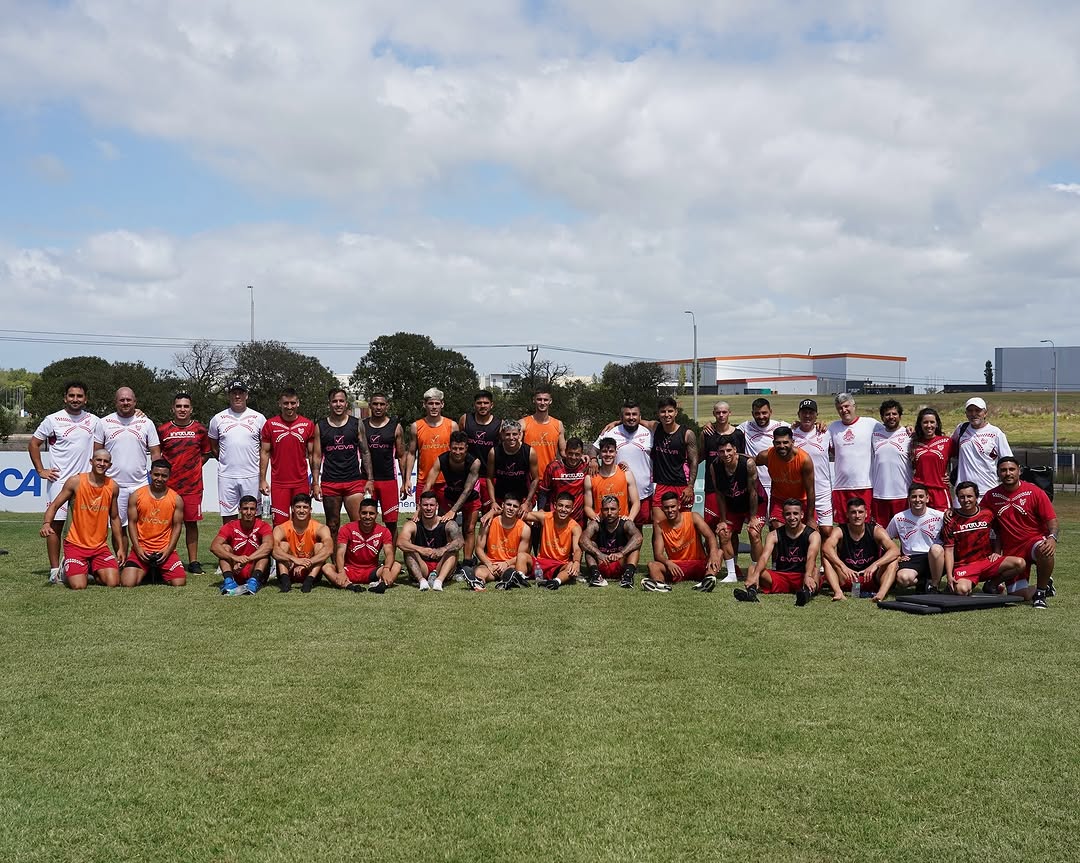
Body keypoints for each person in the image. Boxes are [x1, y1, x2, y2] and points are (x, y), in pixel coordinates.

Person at [29, 379, 105, 582]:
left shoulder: (94, 421)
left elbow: (99, 450)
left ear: (86, 399)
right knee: (55, 525)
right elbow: (34, 444)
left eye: (79, 396)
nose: (75, 399)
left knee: (85, 527)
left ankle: (83, 565)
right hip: (59, 481)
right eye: (71, 395)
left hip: (84, 483)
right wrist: (40, 470)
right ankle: (55, 570)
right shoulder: (53, 419)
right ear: (65, 398)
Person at [981, 456, 1058, 609]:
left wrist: (1052, 538)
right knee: (1018, 595)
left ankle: (1040, 594)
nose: (1008, 473)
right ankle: (1046, 586)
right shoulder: (991, 496)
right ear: (998, 473)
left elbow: (1052, 521)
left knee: (1045, 550)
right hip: (1012, 550)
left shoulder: (1035, 492)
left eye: (1011, 469)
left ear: (1019, 471)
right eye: (1003, 470)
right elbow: (978, 515)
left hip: (1033, 542)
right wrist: (953, 513)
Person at [39, 448, 122, 589]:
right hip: (75, 544)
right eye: (98, 460)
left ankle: (89, 568)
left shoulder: (112, 486)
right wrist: (47, 523)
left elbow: (114, 518)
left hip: (99, 547)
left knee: (113, 582)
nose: (102, 463)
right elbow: (54, 505)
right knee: (79, 586)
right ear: (91, 461)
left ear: (110, 465)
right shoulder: (75, 481)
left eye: (106, 461)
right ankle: (65, 569)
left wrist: (119, 547)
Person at [102, 386, 161, 558]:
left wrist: (157, 478)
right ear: (115, 402)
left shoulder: (146, 423)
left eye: (129, 400)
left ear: (135, 402)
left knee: (145, 526)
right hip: (114, 485)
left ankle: (142, 562)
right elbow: (97, 452)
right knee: (118, 527)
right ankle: (122, 560)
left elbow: (155, 453)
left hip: (140, 484)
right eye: (122, 400)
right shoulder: (104, 422)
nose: (125, 403)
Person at [157, 391, 212, 574]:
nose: (182, 409)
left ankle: (193, 562)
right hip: (169, 487)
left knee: (191, 523)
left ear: (191, 409)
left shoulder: (200, 430)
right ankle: (164, 557)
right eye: (179, 406)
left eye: (186, 406)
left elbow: (205, 453)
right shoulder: (163, 430)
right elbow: (157, 455)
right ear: (172, 408)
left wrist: (192, 467)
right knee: (165, 524)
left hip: (192, 487)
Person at [313, 387, 374, 543]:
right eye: (334, 401)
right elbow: (317, 456)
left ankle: (357, 556)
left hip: (353, 481)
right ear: (329, 404)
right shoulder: (321, 426)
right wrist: (315, 483)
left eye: (341, 401)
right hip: (330, 482)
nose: (338, 404)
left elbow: (365, 452)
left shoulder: (356, 423)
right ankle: (335, 558)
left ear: (346, 403)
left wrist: (370, 479)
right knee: (332, 525)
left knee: (358, 524)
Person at [942, 481, 1023, 597]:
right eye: (962, 497)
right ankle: (958, 584)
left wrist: (996, 552)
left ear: (976, 497)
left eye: (969, 496)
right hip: (965, 566)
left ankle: (992, 584)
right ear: (958, 499)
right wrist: (949, 576)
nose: (966, 500)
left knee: (1020, 563)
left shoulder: (987, 514)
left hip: (986, 563)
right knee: (962, 590)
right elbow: (949, 550)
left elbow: (998, 533)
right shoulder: (951, 520)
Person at [734, 499, 821, 606]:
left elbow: (811, 558)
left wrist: (807, 576)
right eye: (788, 514)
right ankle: (751, 593)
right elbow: (764, 557)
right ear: (783, 515)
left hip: (802, 576)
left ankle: (806, 594)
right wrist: (755, 575)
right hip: (781, 576)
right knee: (753, 568)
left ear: (802, 515)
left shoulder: (813, 535)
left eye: (795, 513)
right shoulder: (774, 534)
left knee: (815, 571)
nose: (792, 517)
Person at [121, 458, 186, 587]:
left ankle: (156, 571)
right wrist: (138, 548)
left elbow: (177, 526)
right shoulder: (137, 496)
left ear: (169, 476)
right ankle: (149, 570)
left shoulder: (176, 499)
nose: (159, 479)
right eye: (156, 474)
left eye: (164, 476)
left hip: (164, 550)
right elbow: (132, 523)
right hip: (142, 550)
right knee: (127, 583)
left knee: (179, 582)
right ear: (150, 474)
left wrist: (168, 550)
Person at [208, 381, 267, 523]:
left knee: (254, 515)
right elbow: (213, 446)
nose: (237, 396)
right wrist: (225, 460)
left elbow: (265, 448)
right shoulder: (218, 418)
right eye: (234, 393)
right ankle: (231, 539)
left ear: (246, 395)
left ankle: (255, 539)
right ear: (229, 396)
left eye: (241, 393)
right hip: (227, 476)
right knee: (229, 518)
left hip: (252, 475)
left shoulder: (259, 418)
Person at [821, 497, 900, 602]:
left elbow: (895, 550)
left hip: (871, 576)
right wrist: (842, 566)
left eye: (860, 512)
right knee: (826, 557)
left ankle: (880, 594)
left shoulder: (876, 531)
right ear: (847, 514)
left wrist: (875, 565)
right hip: (846, 576)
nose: (857, 516)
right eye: (853, 512)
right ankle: (838, 592)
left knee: (893, 560)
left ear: (866, 514)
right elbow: (826, 548)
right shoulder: (840, 530)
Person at [259, 387, 317, 525]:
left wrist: (315, 482)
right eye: (286, 403)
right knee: (280, 525)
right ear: (279, 403)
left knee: (302, 523)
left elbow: (312, 455)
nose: (289, 407)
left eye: (292, 403)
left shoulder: (308, 425)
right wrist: (262, 479)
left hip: (301, 482)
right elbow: (265, 453)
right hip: (279, 484)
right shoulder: (270, 424)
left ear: (298, 403)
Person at [646, 491, 723, 593]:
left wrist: (713, 554)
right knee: (652, 565)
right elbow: (658, 554)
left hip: (698, 563)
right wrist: (668, 563)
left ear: (679, 505)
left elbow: (710, 536)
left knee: (719, 553)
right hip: (676, 566)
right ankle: (660, 585)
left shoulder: (693, 517)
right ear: (662, 508)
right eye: (666, 507)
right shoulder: (659, 526)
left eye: (673, 506)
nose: (670, 510)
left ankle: (708, 579)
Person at [592, 401, 654, 526]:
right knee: (616, 529)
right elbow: (594, 449)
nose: (631, 417)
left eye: (634, 414)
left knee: (638, 528)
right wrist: (593, 459)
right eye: (627, 414)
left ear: (640, 417)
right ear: (621, 417)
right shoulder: (610, 432)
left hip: (644, 492)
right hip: (617, 493)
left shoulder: (649, 433)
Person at [322, 498, 402, 593]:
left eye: (371, 513)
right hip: (349, 570)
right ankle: (350, 586)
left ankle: (381, 585)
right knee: (326, 568)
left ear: (376, 514)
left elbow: (389, 553)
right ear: (359, 513)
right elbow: (340, 552)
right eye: (364, 513)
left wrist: (386, 569)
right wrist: (341, 571)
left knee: (397, 566)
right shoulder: (347, 529)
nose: (367, 516)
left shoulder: (384, 531)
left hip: (372, 571)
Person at [423, 431, 481, 559]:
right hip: (450, 496)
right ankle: (445, 558)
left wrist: (453, 511)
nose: (457, 452)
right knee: (444, 527)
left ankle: (467, 562)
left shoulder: (474, 463)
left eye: (461, 449)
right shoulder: (441, 459)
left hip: (470, 497)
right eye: (454, 448)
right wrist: (419, 507)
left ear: (466, 448)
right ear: (449, 447)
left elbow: (467, 490)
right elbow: (428, 484)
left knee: (469, 529)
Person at [711, 435, 761, 581]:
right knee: (723, 532)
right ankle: (731, 573)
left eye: (728, 450)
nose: (725, 454)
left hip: (753, 503)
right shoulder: (715, 466)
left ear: (735, 449)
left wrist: (753, 518)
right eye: (721, 451)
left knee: (754, 532)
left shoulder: (748, 464)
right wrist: (722, 519)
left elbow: (753, 492)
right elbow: (719, 494)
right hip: (732, 503)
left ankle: (756, 570)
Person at [460, 389, 502, 553]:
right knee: (468, 522)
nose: (482, 406)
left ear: (492, 405)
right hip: (468, 477)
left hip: (489, 478)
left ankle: (488, 555)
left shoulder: (499, 424)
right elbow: (459, 444)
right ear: (474, 405)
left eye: (486, 403)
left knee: (489, 519)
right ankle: (467, 559)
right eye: (479, 403)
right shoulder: (465, 419)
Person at [398, 490, 465, 591]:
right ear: (419, 506)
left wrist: (443, 549)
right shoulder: (412, 524)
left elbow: (460, 541)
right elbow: (400, 542)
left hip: (441, 565)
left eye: (431, 505)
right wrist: (420, 549)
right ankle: (422, 582)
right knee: (408, 549)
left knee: (452, 549)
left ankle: (439, 582)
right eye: (425, 505)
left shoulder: (447, 523)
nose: (428, 508)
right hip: (421, 566)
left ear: (437, 506)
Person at [885, 483, 945, 592]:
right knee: (903, 579)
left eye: (921, 496)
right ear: (909, 499)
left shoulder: (940, 516)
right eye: (914, 497)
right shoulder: (899, 518)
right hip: (912, 558)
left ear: (927, 498)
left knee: (936, 549)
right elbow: (885, 540)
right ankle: (923, 582)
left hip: (934, 557)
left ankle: (934, 586)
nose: (917, 500)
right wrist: (897, 556)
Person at [827, 393, 877, 524]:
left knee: (865, 525)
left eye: (846, 406)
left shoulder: (870, 424)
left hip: (864, 485)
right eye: (840, 408)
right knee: (844, 525)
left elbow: (890, 432)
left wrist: (907, 429)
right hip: (841, 487)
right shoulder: (833, 427)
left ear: (854, 406)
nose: (843, 410)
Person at [403, 388, 458, 505]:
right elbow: (411, 453)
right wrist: (407, 479)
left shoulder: (452, 426)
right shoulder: (416, 426)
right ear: (424, 404)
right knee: (422, 513)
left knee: (446, 515)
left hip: (446, 481)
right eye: (430, 403)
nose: (434, 407)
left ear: (442, 404)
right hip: (424, 480)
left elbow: (458, 454)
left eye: (437, 403)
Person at [361, 393, 406, 535]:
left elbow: (401, 456)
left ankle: (391, 550)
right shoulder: (362, 426)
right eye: (375, 404)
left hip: (388, 480)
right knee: (366, 521)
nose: (378, 407)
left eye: (382, 404)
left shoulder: (395, 427)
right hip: (366, 480)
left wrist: (405, 482)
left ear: (387, 406)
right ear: (370, 406)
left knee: (391, 523)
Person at [209, 494, 273, 595]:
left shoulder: (263, 525)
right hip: (236, 567)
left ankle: (253, 582)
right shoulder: (231, 526)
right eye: (245, 509)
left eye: (252, 509)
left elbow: (268, 546)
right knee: (224, 548)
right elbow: (214, 546)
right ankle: (229, 582)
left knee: (264, 553)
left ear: (256, 511)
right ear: (239, 510)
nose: (249, 512)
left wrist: (247, 559)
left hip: (255, 568)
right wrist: (235, 558)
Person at [272, 493, 333, 592]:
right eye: (298, 507)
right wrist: (294, 559)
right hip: (290, 568)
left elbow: (329, 549)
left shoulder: (321, 528)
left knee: (319, 546)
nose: (301, 511)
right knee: (282, 545)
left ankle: (309, 581)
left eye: (305, 507)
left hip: (310, 569)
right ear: (292, 509)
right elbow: (274, 550)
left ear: (310, 510)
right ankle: (285, 581)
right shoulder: (281, 528)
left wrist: (307, 563)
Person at [952, 397, 1012, 498]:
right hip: (963, 492)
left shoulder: (996, 433)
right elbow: (948, 449)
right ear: (966, 413)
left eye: (978, 410)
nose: (973, 414)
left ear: (985, 413)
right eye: (970, 411)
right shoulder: (961, 429)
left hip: (988, 490)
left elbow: (1008, 461)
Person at [755, 426, 815, 528]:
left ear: (792, 442)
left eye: (785, 442)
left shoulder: (804, 460)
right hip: (779, 500)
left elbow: (811, 491)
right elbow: (751, 461)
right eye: (778, 443)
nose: (782, 446)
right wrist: (734, 456)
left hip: (801, 500)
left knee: (811, 531)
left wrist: (810, 518)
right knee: (777, 528)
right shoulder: (766, 456)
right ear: (773, 443)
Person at [522, 491, 582, 589]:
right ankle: (520, 578)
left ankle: (555, 582)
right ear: (555, 506)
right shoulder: (546, 517)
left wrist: (577, 562)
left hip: (560, 564)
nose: (563, 509)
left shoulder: (575, 527)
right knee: (522, 556)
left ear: (572, 509)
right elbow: (523, 515)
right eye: (560, 505)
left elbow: (577, 549)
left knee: (570, 565)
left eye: (567, 507)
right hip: (541, 561)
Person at [579, 494, 642, 588]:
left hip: (621, 563)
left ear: (619, 510)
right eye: (606, 509)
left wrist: (621, 553)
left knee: (634, 548)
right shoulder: (595, 524)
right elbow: (582, 540)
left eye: (613, 509)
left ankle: (627, 577)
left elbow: (638, 538)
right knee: (590, 545)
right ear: (601, 510)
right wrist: (598, 554)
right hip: (602, 562)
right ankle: (596, 576)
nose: (609, 513)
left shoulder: (626, 523)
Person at [791, 399, 834, 536]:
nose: (807, 416)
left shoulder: (826, 433)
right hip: (800, 492)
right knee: (802, 532)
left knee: (826, 531)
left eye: (811, 413)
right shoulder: (791, 434)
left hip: (822, 490)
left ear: (816, 415)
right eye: (804, 412)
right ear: (798, 414)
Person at [649, 396, 698, 516]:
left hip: (681, 484)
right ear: (658, 413)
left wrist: (690, 487)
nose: (666, 415)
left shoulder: (687, 434)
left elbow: (694, 461)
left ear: (676, 412)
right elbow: (635, 420)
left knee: (684, 523)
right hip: (662, 484)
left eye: (670, 411)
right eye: (663, 411)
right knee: (658, 522)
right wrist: (616, 422)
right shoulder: (655, 427)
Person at [473, 492, 533, 590]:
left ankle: (507, 580)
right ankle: (479, 583)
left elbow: (521, 555)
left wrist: (506, 564)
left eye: (515, 506)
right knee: (479, 572)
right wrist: (489, 564)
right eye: (508, 505)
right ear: (503, 505)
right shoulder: (489, 522)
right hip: (491, 564)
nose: (511, 508)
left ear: (519, 509)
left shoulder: (525, 529)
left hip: (511, 565)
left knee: (513, 571)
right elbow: (478, 549)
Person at [700, 401, 745, 530]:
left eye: (724, 412)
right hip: (712, 487)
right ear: (713, 414)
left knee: (731, 530)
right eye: (718, 412)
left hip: (733, 489)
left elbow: (742, 460)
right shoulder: (706, 433)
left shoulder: (738, 434)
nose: (721, 415)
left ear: (730, 413)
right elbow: (701, 455)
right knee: (710, 528)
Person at [737, 398, 783, 518]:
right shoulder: (745, 427)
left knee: (776, 523)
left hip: (778, 484)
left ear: (770, 412)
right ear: (752, 413)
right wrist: (710, 425)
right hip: (755, 485)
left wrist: (819, 424)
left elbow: (801, 430)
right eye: (757, 413)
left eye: (764, 413)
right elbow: (726, 432)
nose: (761, 416)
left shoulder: (781, 426)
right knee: (755, 525)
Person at [871, 399, 913, 528]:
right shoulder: (874, 435)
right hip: (880, 494)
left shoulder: (909, 435)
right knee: (880, 534)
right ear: (882, 417)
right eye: (887, 414)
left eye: (894, 414)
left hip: (902, 494)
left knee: (903, 533)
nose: (891, 417)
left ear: (900, 416)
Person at [583, 437, 640, 524]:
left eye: (611, 451)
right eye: (604, 451)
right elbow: (587, 507)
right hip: (601, 524)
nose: (608, 454)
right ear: (600, 454)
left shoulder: (626, 474)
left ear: (616, 453)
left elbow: (636, 502)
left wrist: (630, 519)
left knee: (634, 532)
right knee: (588, 531)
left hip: (622, 523)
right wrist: (595, 518)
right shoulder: (590, 478)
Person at [486, 419, 539, 512]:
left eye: (514, 434)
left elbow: (535, 479)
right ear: (502, 435)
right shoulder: (494, 452)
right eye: (508, 434)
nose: (511, 438)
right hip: (500, 497)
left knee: (523, 519)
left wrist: (527, 502)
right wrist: (493, 502)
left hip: (522, 497)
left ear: (519, 434)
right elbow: (489, 478)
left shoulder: (529, 452)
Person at [909, 407, 954, 512]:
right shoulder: (913, 443)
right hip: (920, 492)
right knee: (920, 520)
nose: (929, 425)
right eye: (925, 422)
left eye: (932, 422)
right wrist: (907, 427)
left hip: (940, 490)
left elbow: (960, 459)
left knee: (944, 519)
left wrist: (952, 476)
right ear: (920, 424)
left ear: (937, 424)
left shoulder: (947, 442)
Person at [538, 437, 588, 523]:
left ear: (582, 454)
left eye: (577, 454)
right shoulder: (553, 467)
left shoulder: (586, 467)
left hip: (578, 519)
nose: (573, 457)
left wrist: (594, 460)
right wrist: (541, 509)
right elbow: (543, 490)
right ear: (565, 452)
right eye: (570, 453)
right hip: (556, 517)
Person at [521, 388, 566, 483]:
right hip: (527, 479)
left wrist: (580, 457)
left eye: (545, 400)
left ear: (550, 401)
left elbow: (563, 452)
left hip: (549, 478)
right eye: (539, 399)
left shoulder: (558, 424)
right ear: (534, 400)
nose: (542, 403)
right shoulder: (523, 423)